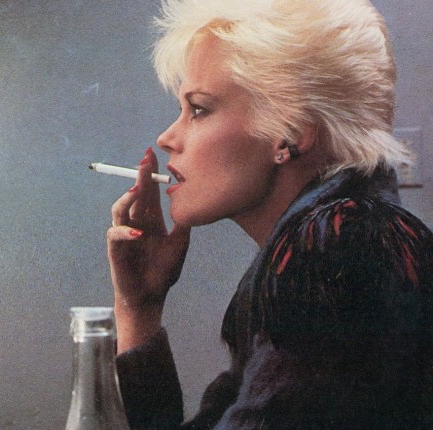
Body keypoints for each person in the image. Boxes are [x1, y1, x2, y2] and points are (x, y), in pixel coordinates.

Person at [106, 0, 433, 428]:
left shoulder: (333, 247)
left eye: (199, 109)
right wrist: (139, 308)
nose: (167, 137)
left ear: (290, 133)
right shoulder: (339, 238)